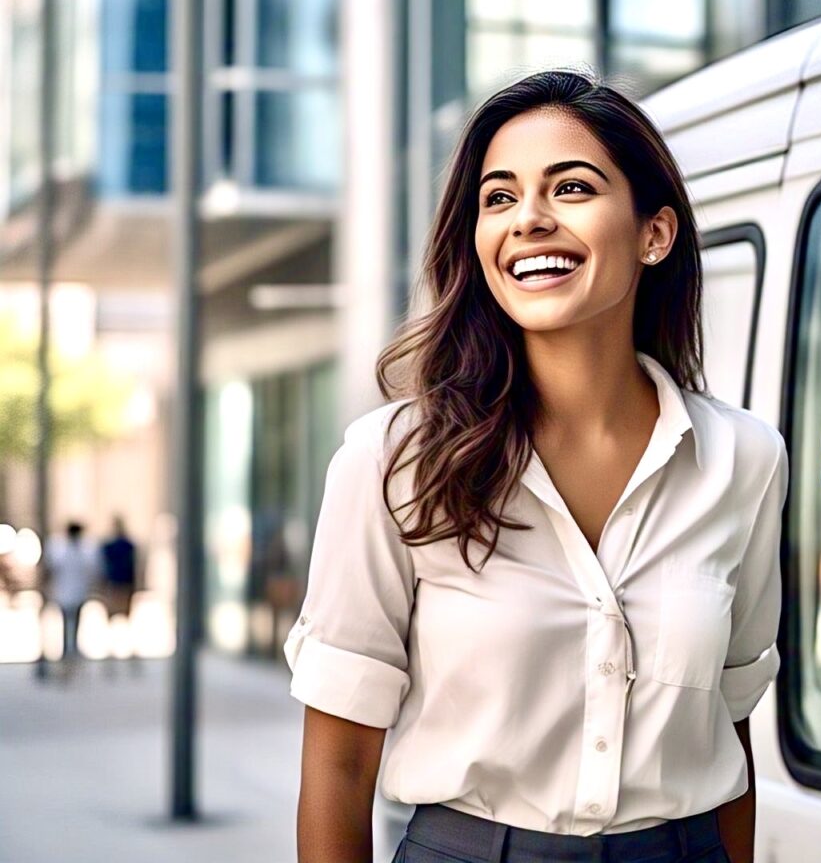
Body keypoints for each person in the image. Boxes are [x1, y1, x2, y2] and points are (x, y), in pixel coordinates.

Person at [284, 68, 789, 863]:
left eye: (573, 188)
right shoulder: (394, 461)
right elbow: (339, 767)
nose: (530, 220)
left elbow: (730, 731)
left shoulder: (744, 460)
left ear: (654, 234)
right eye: (499, 197)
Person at [43, 520, 101, 678]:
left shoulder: (75, 549)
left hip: (73, 592)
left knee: (71, 622)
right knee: (70, 622)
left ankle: (70, 651)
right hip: (67, 592)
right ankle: (69, 652)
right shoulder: (64, 548)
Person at [100, 513, 141, 671]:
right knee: (121, 620)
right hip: (120, 584)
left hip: (118, 584)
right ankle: (119, 655)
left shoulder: (115, 546)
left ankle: (118, 655)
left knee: (118, 620)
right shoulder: (122, 545)